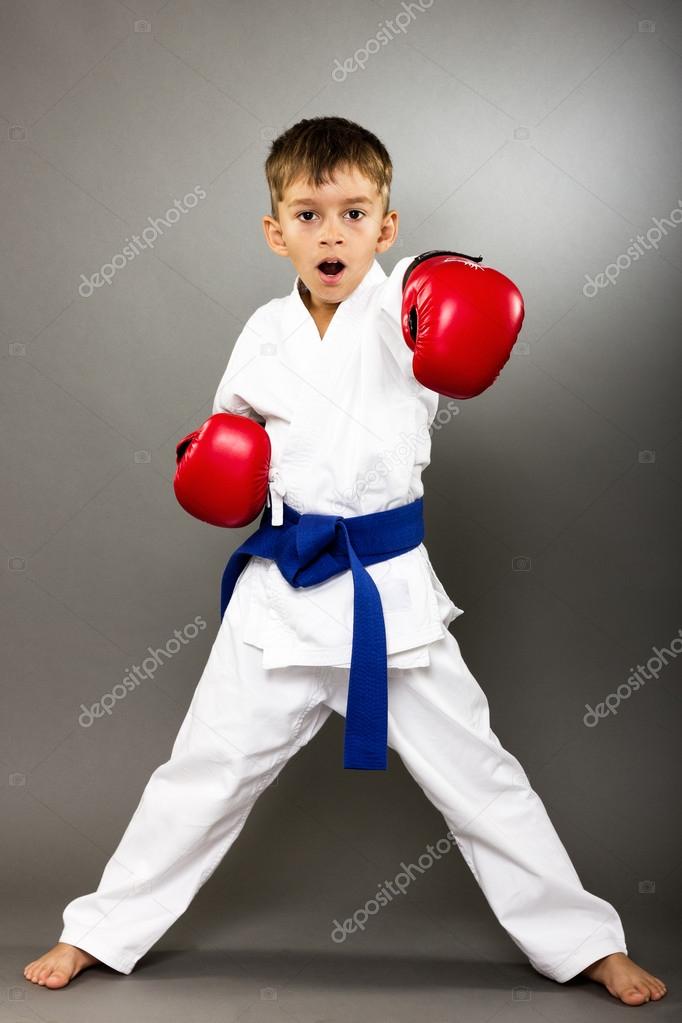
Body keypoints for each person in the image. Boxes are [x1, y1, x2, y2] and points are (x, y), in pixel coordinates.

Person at [24, 116, 667, 1006]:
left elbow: (455, 359)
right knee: (200, 777)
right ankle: (96, 930)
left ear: (387, 227)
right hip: (281, 594)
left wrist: (459, 312)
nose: (332, 232)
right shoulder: (261, 333)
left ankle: (587, 942)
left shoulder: (410, 317)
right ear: (274, 230)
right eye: (308, 212)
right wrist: (220, 470)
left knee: (482, 780)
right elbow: (232, 442)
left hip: (387, 602)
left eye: (354, 212)